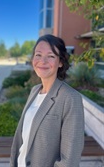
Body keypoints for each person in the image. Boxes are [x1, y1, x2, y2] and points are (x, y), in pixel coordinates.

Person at [10, 34, 84, 167]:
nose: (42, 61)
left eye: (50, 56)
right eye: (38, 55)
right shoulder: (34, 91)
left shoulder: (70, 98)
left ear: (60, 62)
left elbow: (70, 161)